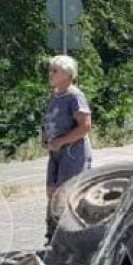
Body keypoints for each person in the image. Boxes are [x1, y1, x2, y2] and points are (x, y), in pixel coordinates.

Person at [41, 55, 93, 242]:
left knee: (67, 193)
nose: (51, 74)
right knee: (51, 191)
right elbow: (49, 120)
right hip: (55, 152)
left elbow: (85, 126)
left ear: (68, 74)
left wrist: (62, 141)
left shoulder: (75, 96)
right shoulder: (55, 96)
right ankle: (53, 233)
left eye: (55, 70)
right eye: (51, 70)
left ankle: (71, 235)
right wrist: (45, 137)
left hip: (73, 152)